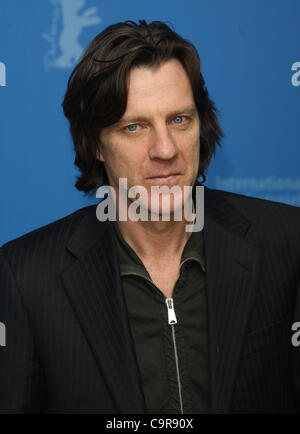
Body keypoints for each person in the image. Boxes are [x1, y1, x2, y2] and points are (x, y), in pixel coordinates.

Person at [0, 20, 300, 414]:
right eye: (135, 127)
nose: (164, 149)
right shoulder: (26, 276)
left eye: (179, 120)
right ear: (96, 145)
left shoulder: (287, 242)